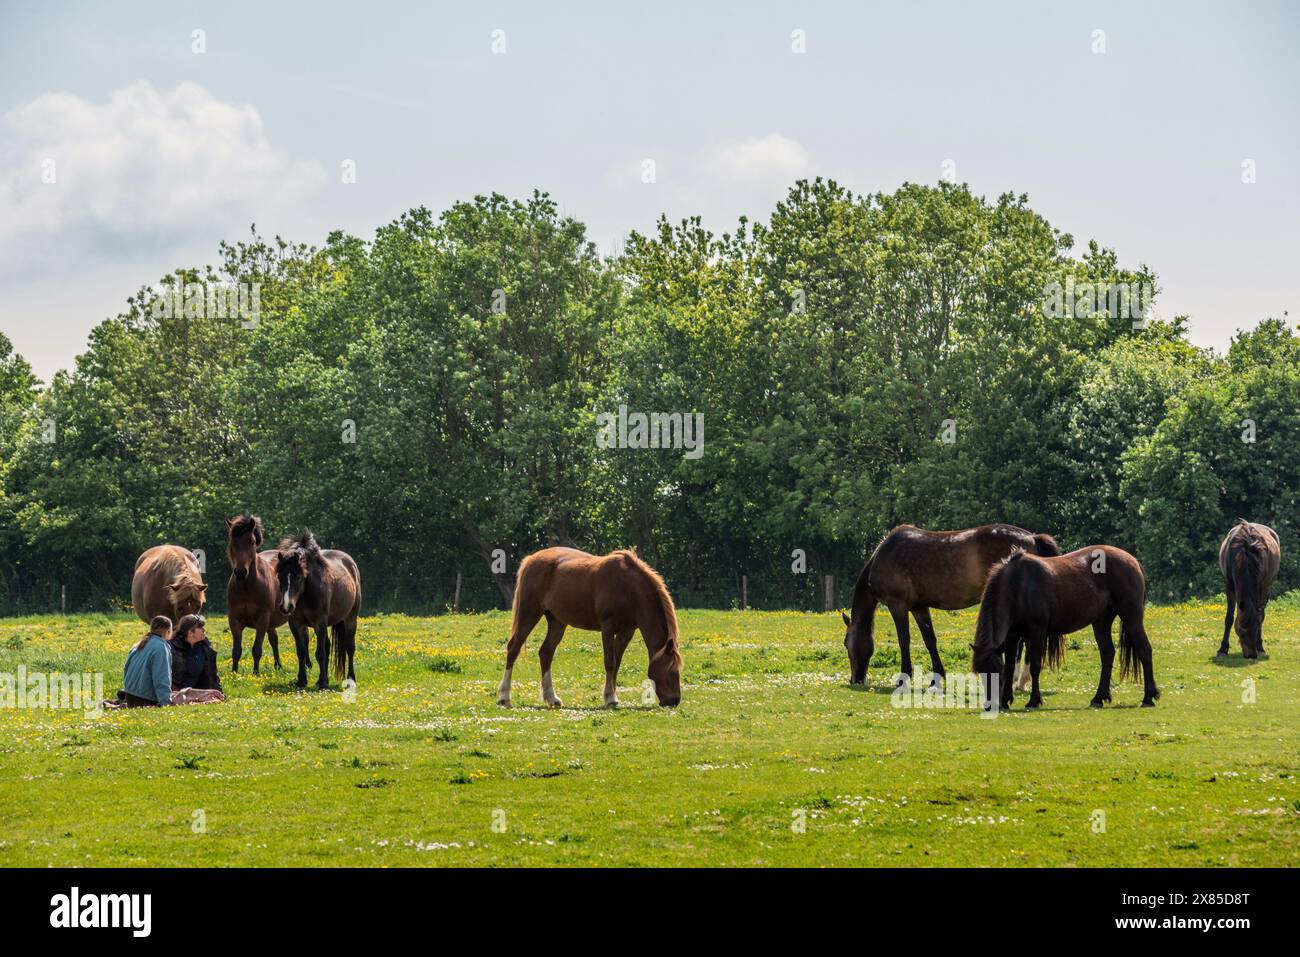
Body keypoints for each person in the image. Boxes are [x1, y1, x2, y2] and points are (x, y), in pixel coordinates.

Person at [117, 615, 175, 707]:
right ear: (168, 631)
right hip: (145, 698)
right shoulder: (161, 648)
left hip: (129, 695)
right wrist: (165, 702)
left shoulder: (138, 644)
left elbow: (126, 669)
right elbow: (161, 678)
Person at [169, 614, 224, 698]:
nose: (204, 630)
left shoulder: (205, 647)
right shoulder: (171, 648)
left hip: (198, 693)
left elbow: (213, 675)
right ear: (191, 632)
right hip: (176, 693)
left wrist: (219, 694)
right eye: (200, 627)